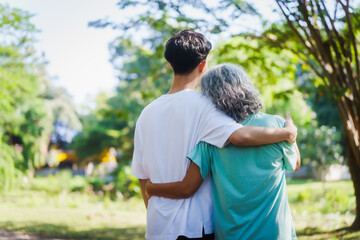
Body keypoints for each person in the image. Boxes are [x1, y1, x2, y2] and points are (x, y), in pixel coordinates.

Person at [131, 30, 297, 240]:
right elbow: (239, 137)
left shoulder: (147, 113)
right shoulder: (206, 106)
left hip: (157, 228)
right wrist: (287, 132)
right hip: (195, 228)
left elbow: (142, 177)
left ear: (171, 64)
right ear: (202, 65)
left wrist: (155, 211)